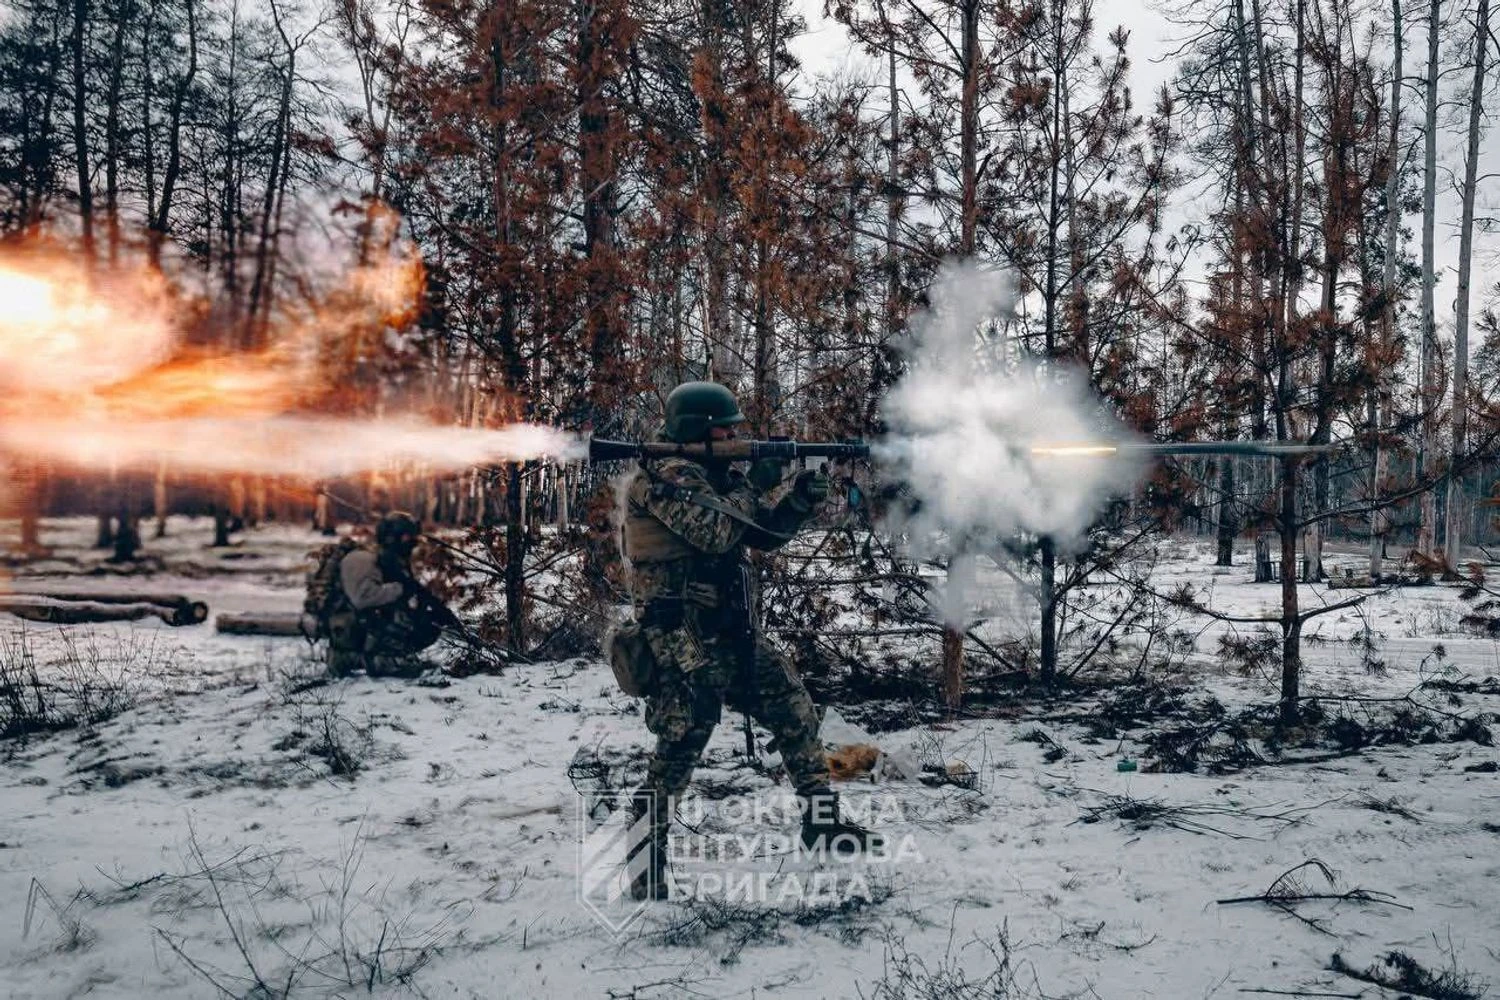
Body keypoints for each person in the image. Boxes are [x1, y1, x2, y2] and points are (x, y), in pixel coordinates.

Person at [619, 381, 882, 900]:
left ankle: (821, 822)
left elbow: (758, 535)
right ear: (697, 429)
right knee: (680, 745)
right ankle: (643, 858)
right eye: (727, 427)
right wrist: (757, 481)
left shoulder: (715, 476)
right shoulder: (665, 476)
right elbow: (715, 531)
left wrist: (801, 499)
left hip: (730, 632)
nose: (738, 434)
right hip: (680, 638)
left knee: (793, 708)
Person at [318, 511, 456, 678]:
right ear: (393, 537)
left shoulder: (390, 560)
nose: (411, 544)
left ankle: (387, 657)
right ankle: (360, 659)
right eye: (406, 538)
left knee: (427, 622)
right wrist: (401, 589)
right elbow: (362, 599)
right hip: (349, 630)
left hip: (362, 628)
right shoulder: (362, 558)